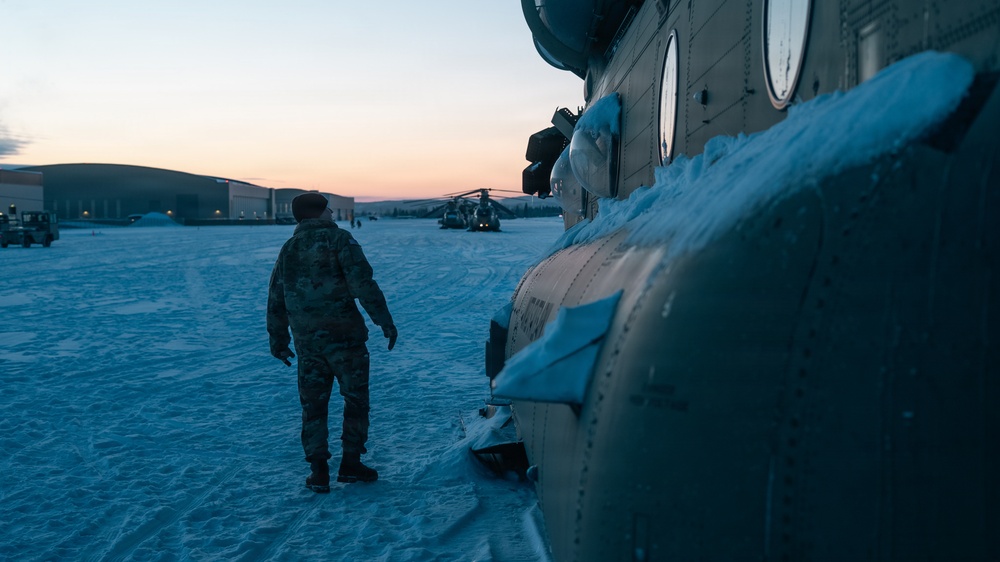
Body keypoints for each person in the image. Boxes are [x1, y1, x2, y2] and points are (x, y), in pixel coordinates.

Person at [267, 192, 398, 493]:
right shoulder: (340, 240)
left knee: (313, 406)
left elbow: (276, 297)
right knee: (355, 401)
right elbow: (363, 284)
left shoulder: (289, 248)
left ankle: (319, 471)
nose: (331, 214)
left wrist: (278, 340)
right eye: (327, 209)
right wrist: (384, 321)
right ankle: (351, 463)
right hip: (346, 341)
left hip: (308, 344)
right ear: (318, 213)